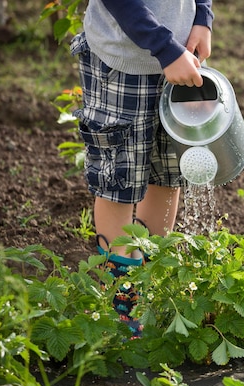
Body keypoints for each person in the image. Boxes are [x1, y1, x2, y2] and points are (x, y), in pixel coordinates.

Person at [70, 0, 214, 337]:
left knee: (167, 173)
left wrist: (203, 17)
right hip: (122, 62)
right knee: (119, 180)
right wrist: (164, 47)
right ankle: (122, 301)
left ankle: (149, 283)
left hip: (181, 61)